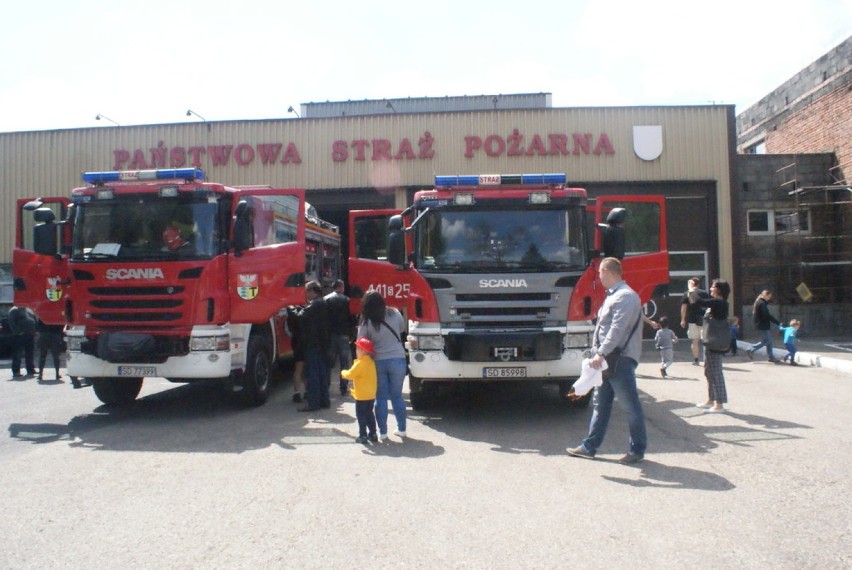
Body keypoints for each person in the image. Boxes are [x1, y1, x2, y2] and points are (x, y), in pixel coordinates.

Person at [567, 257, 647, 464]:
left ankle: (637, 450)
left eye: (600, 273)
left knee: (630, 406)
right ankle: (589, 447)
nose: (599, 277)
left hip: (618, 360)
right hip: (609, 360)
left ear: (608, 272)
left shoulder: (625, 297)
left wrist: (600, 353)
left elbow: (617, 330)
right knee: (600, 405)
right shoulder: (616, 296)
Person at [357, 290, 407, 441]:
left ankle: (383, 433)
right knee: (397, 396)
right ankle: (402, 429)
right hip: (398, 358)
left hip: (377, 361)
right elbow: (402, 329)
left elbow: (361, 342)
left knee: (381, 397)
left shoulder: (366, 320)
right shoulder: (395, 313)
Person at [692, 279, 731, 413]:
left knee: (716, 372)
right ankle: (711, 399)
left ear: (719, 290)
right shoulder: (716, 302)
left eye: (713, 287)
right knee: (708, 371)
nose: (710, 289)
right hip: (710, 340)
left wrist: (693, 290)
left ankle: (719, 403)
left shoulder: (718, 302)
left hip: (716, 342)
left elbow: (698, 301)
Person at [297, 281, 330, 412]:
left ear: (312, 291)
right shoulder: (322, 302)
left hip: (313, 344)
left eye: (307, 291)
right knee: (321, 374)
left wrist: (293, 309)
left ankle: (313, 403)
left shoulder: (315, 304)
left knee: (313, 375)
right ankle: (324, 400)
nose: (306, 294)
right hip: (321, 344)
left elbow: (302, 316)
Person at [341, 337, 378, 444]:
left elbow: (349, 375)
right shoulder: (371, 363)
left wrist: (343, 372)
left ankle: (363, 435)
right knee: (370, 414)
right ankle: (373, 433)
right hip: (371, 395)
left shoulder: (359, 364)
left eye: (357, 349)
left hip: (361, 396)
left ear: (363, 351)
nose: (356, 351)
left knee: (361, 416)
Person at [324, 279, 354, 396]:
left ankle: (326, 385)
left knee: (329, 361)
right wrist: (351, 332)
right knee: (344, 361)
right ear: (340, 287)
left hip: (330, 335)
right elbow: (351, 318)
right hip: (344, 335)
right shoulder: (347, 300)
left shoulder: (326, 300)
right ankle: (343, 387)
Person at [680, 277, 709, 366]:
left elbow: (684, 308)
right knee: (705, 340)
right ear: (699, 284)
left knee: (695, 341)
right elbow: (709, 305)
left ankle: (696, 360)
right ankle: (706, 360)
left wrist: (683, 319)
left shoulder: (687, 294)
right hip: (704, 318)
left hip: (692, 319)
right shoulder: (704, 293)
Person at [747, 290, 781, 363]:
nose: (770, 298)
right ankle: (751, 348)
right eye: (769, 296)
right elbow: (766, 315)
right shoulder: (761, 303)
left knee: (769, 341)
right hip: (762, 325)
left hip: (761, 324)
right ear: (765, 295)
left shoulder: (760, 302)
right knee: (767, 340)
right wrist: (777, 322)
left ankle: (771, 357)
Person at [8, 305, 37, 378]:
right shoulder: (14, 310)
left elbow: (33, 319)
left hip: (30, 335)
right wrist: (17, 332)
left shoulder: (28, 309)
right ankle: (16, 371)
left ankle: (30, 369)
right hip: (19, 336)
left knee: (30, 353)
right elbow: (11, 322)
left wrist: (34, 330)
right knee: (17, 353)